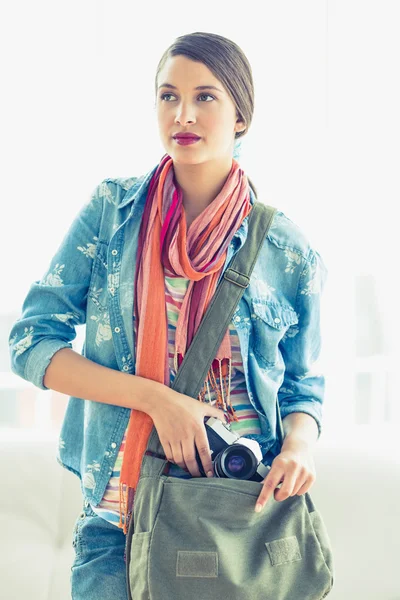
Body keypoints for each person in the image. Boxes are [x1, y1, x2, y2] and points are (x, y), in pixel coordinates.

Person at [8, 31, 328, 600]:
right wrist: (159, 400)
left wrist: (299, 447)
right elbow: (31, 343)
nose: (183, 113)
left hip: (238, 519)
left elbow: (304, 386)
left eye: (206, 97)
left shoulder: (286, 249)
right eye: (167, 95)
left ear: (240, 117)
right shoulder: (113, 214)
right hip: (119, 523)